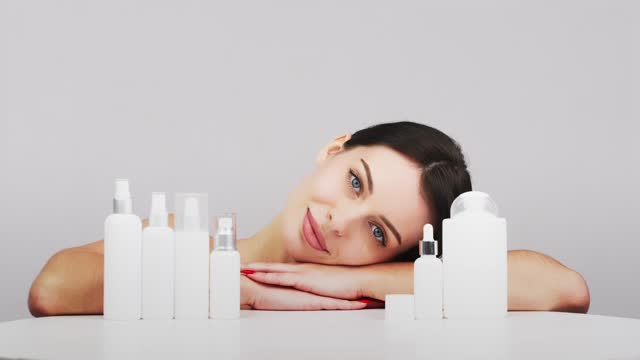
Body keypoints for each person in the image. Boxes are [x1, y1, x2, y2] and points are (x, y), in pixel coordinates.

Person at [27, 121, 590, 315]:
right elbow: (51, 291)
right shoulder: (172, 248)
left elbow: (563, 288)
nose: (340, 221)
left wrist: (352, 283)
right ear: (334, 148)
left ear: (393, 256)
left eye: (376, 231)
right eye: (354, 181)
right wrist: (242, 289)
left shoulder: (373, 297)